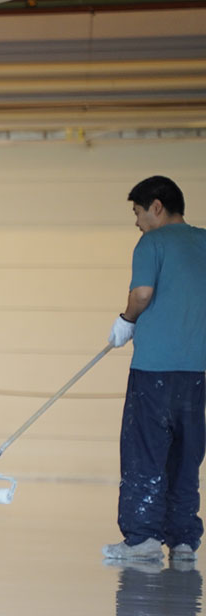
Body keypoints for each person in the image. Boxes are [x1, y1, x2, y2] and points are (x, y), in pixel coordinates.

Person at [103, 175, 206, 562]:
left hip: (153, 370)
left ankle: (142, 540)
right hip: (197, 372)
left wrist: (126, 319)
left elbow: (142, 293)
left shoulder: (152, 243)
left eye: (138, 212)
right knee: (185, 455)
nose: (137, 222)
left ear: (157, 207)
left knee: (144, 453)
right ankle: (183, 543)